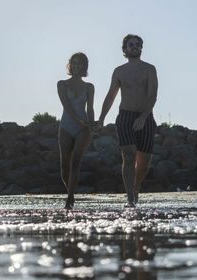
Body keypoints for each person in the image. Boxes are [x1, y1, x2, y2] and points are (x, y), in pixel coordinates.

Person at [97, 34, 158, 207]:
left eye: (138, 44)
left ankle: (136, 187)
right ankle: (130, 197)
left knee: (144, 163)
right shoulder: (119, 71)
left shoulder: (149, 69)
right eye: (131, 44)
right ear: (125, 49)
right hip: (125, 116)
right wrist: (101, 117)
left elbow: (152, 95)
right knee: (129, 156)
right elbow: (111, 95)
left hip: (145, 116)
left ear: (141, 48)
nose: (135, 47)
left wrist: (144, 117)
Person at [57, 52, 95, 209]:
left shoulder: (89, 87)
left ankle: (70, 198)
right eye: (75, 63)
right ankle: (70, 192)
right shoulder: (62, 84)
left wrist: (91, 124)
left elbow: (90, 108)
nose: (77, 66)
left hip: (84, 129)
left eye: (81, 63)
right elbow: (66, 106)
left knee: (75, 163)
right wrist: (79, 120)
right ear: (70, 65)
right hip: (66, 126)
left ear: (85, 66)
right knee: (64, 166)